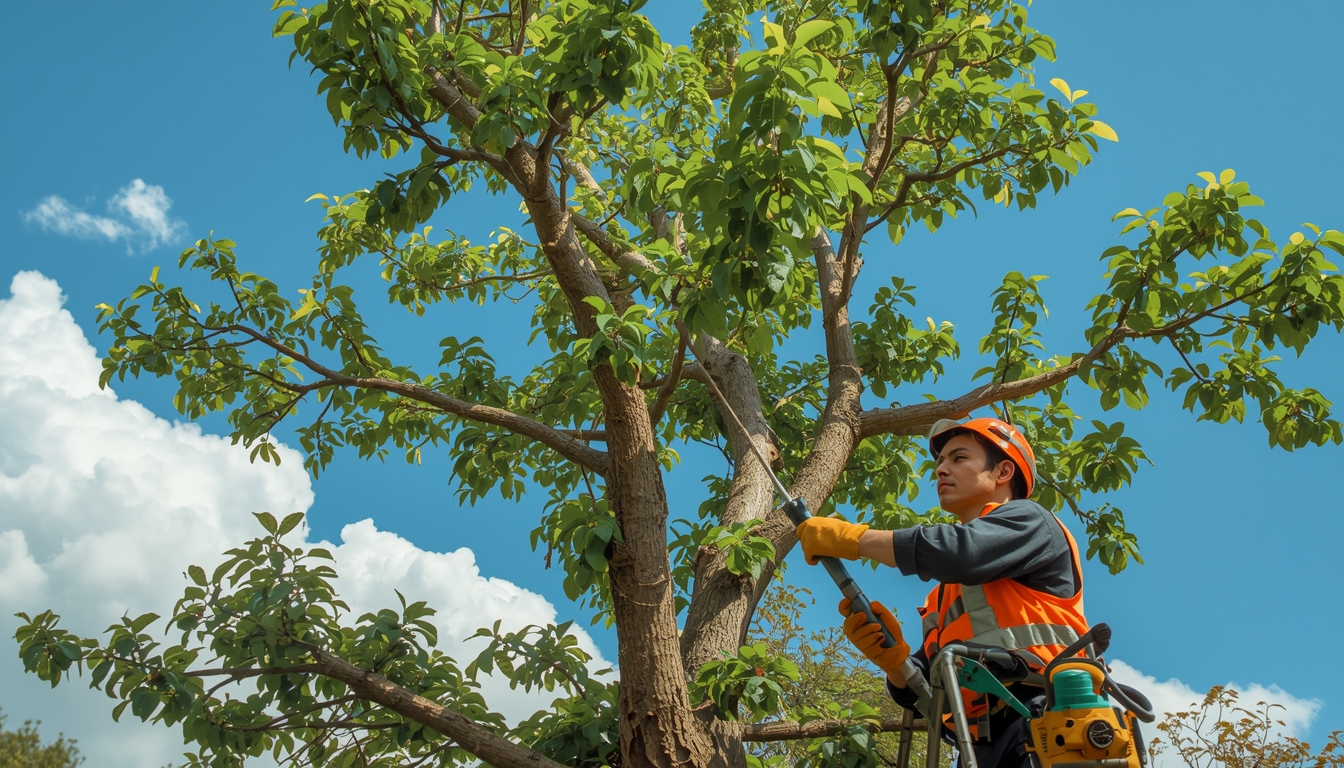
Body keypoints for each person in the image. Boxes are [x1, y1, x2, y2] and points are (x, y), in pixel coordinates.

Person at [795, 417, 1090, 768]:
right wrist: (895, 662)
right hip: (977, 746)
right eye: (940, 462)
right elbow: (926, 690)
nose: (941, 470)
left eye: (958, 458)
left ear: (1003, 471)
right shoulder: (945, 596)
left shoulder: (1031, 521)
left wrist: (854, 539)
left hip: (1050, 721)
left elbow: (961, 552)